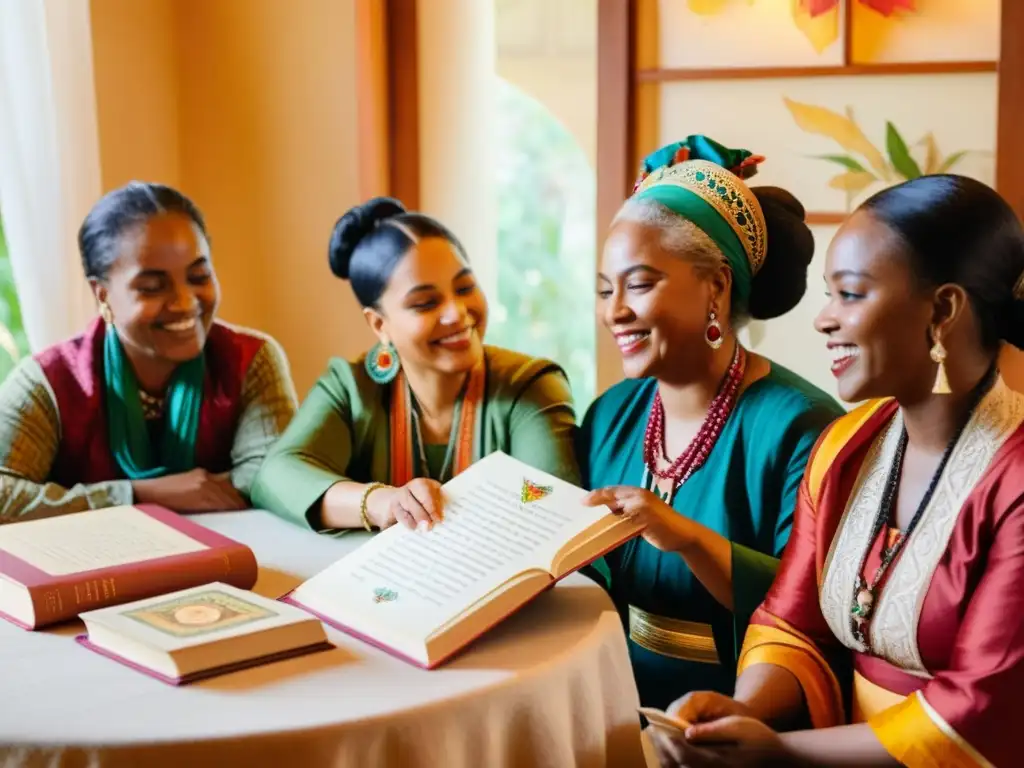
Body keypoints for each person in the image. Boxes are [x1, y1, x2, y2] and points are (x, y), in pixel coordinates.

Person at [648, 175, 1024, 768]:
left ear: (944, 309)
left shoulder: (1016, 479)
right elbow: (790, 622)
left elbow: (983, 706)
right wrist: (746, 709)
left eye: (850, 294)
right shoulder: (847, 447)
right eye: (829, 294)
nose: (823, 320)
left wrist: (788, 753)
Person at [576, 135, 844, 709]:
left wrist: (688, 539)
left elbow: (815, 611)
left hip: (740, 715)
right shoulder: (608, 417)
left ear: (716, 287)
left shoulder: (802, 426)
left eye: (640, 284)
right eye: (605, 290)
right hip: (608, 702)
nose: (614, 310)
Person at [251, 197, 578, 533]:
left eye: (465, 288)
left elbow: (552, 511)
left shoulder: (530, 385)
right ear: (380, 325)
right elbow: (276, 475)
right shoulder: (352, 387)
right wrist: (380, 502)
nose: (457, 313)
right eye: (425, 303)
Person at [0, 182, 297, 520]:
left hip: (227, 564)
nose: (185, 303)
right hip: (95, 567)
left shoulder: (250, 360)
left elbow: (273, 481)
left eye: (199, 276)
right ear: (102, 294)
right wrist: (137, 495)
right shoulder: (50, 382)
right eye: (152, 287)